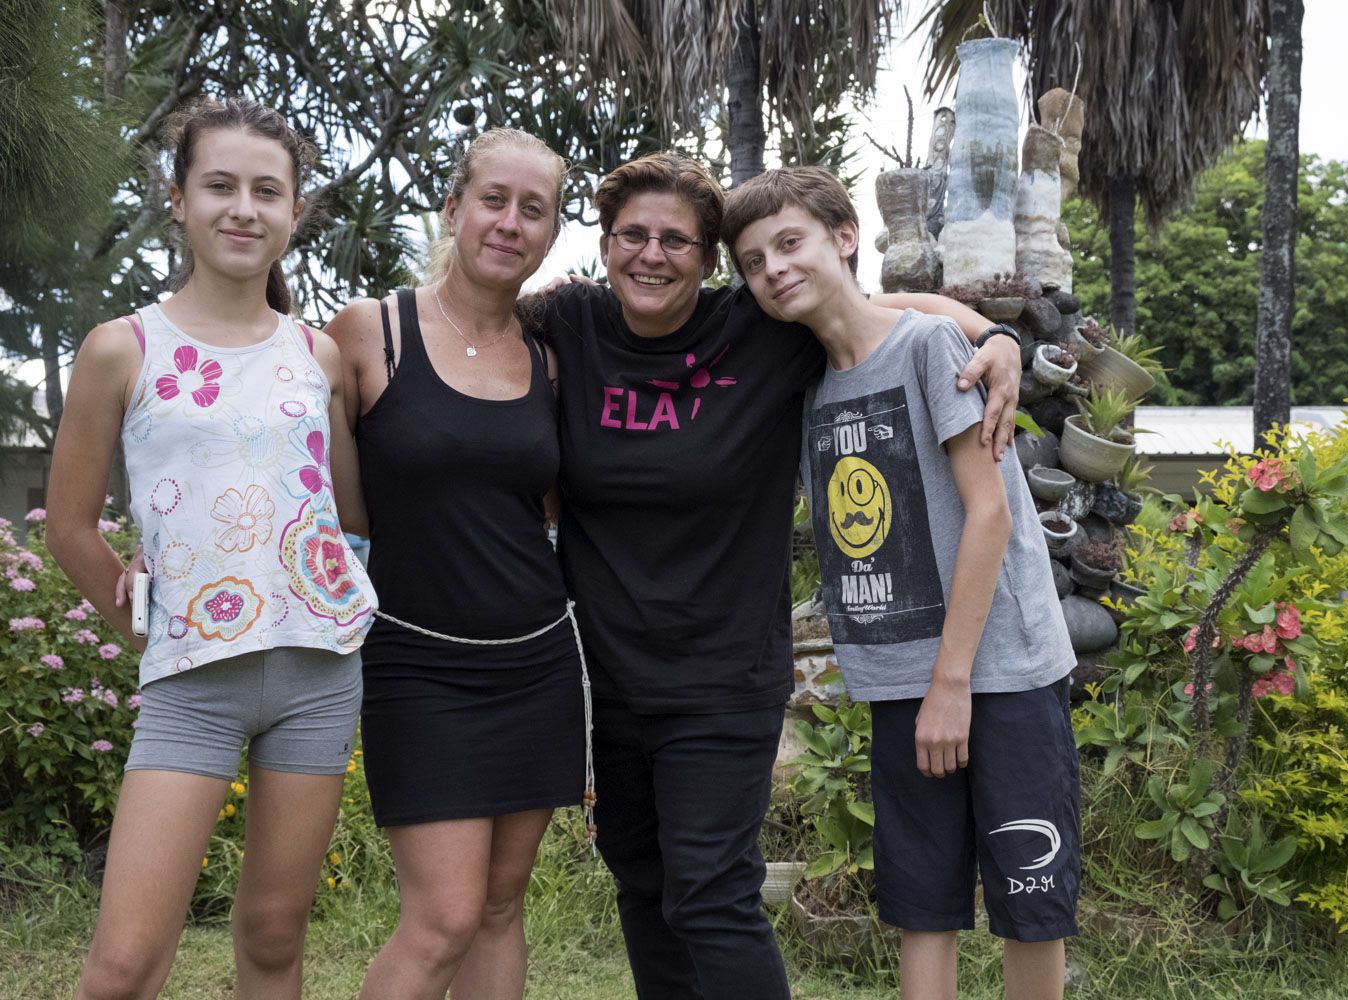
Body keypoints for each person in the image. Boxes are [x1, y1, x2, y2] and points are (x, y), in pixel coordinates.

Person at [535, 152, 1022, 1000]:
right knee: (642, 885)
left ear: (706, 257)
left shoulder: (756, 331)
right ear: (606, 244)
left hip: (723, 676)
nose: (652, 254)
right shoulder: (569, 324)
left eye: (677, 241)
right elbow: (461, 313)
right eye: (633, 236)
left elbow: (889, 311)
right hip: (605, 681)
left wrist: (997, 338)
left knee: (711, 892)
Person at [722, 166, 1080, 1000]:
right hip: (898, 683)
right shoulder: (803, 383)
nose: (773, 268)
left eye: (789, 242)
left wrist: (951, 684)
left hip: (997, 670)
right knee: (923, 905)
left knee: (1031, 897)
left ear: (844, 237)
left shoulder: (927, 349)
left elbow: (986, 516)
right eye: (751, 260)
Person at [46, 96, 375, 1000]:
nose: (244, 208)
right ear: (178, 198)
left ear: (295, 212)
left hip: (319, 674)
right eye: (219, 185)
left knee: (273, 938)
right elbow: (70, 527)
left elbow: (350, 516)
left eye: (268, 191)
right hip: (191, 682)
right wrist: (145, 627)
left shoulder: (320, 356)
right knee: (122, 965)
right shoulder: (122, 349)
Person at [323, 128, 586, 1000]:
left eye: (534, 209)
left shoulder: (551, 362)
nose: (510, 223)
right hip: (416, 661)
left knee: (502, 907)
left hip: (538, 662)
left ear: (551, 233)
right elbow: (340, 505)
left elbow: (543, 507)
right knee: (442, 916)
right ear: (454, 206)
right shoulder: (371, 333)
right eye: (494, 200)